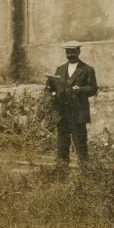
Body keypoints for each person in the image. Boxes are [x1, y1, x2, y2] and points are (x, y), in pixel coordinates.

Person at [44, 40, 98, 169]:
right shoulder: (60, 69)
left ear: (78, 52)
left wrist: (81, 90)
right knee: (62, 142)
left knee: (80, 142)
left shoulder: (87, 69)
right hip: (62, 112)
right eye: (68, 52)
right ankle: (62, 169)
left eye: (73, 51)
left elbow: (93, 88)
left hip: (78, 112)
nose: (70, 54)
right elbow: (50, 87)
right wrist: (51, 93)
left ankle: (84, 169)